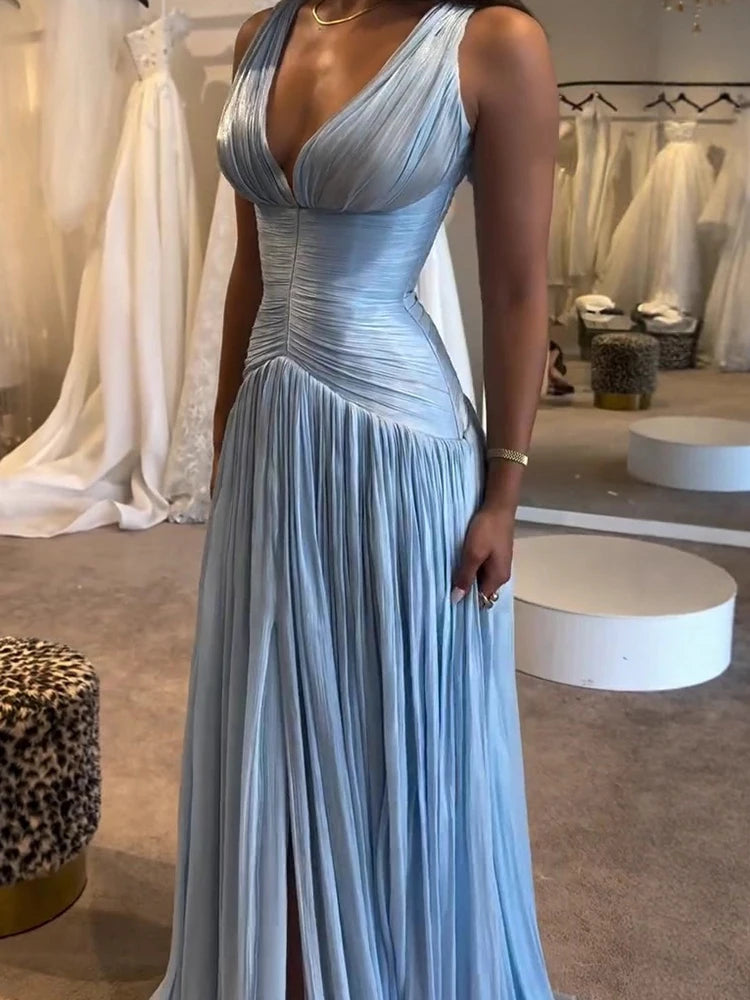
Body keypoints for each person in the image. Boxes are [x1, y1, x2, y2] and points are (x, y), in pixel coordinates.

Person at [153, 1, 560, 997]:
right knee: (272, 709)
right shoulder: (261, 34)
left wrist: (503, 491)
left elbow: (518, 290)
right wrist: (225, 427)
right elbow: (251, 267)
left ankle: (398, 964)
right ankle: (283, 966)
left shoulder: (490, 42)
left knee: (384, 728)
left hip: (396, 444)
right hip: (269, 429)